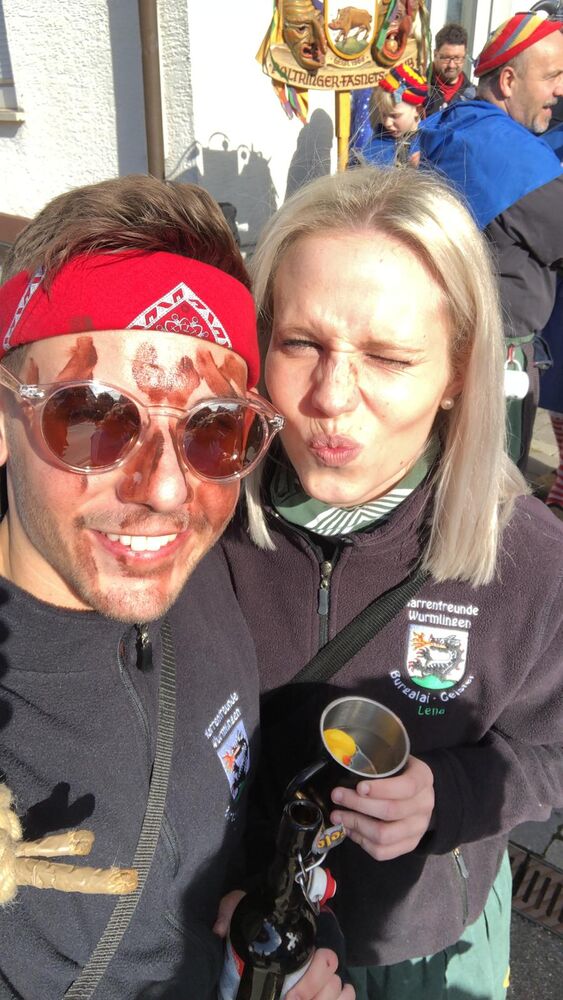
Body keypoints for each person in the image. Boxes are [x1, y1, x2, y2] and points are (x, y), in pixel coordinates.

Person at [0, 176, 353, 1000]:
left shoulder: (211, 577)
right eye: (92, 418)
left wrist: (283, 936)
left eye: (215, 429)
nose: (165, 490)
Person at [221, 166, 563, 1000]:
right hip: (237, 924)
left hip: (422, 942)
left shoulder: (526, 559)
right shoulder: (199, 521)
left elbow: (552, 747)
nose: (331, 398)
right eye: (300, 343)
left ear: (458, 373)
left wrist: (452, 794)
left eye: (388, 356)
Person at [418, 10, 563, 469]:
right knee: (494, 486)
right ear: (508, 81)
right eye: (552, 76)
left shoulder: (460, 124)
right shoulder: (512, 157)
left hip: (455, 341)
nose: (560, 90)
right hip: (496, 359)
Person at [360, 64, 428, 166]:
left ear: (417, 110)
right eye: (384, 114)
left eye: (395, 116)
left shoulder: (429, 143)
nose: (387, 123)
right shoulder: (374, 149)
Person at [425, 23, 475, 117]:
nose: (451, 65)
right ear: (435, 54)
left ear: (465, 56)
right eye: (446, 58)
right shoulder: (418, 87)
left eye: (457, 58)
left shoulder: (473, 97)